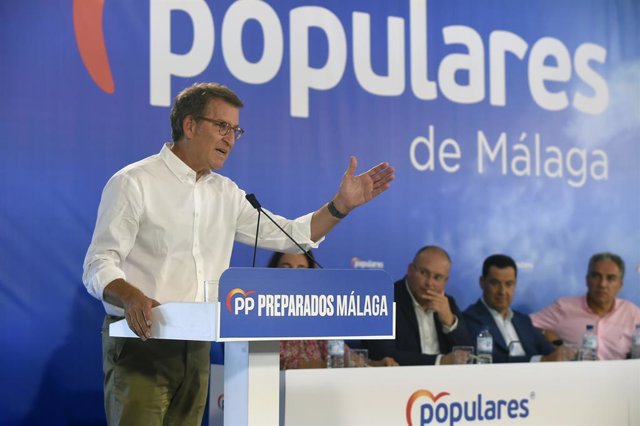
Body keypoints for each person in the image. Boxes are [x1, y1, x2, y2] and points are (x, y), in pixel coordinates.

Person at [82, 82, 395, 425]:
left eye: (235, 130)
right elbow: (99, 263)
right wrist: (130, 296)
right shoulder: (134, 182)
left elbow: (291, 237)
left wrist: (340, 206)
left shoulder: (227, 193)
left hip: (199, 344)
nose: (230, 138)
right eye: (221, 126)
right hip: (143, 342)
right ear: (189, 125)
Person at [268, 251, 398, 369]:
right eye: (285, 268)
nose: (294, 275)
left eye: (301, 270)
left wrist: (377, 365)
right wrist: (331, 365)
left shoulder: (319, 312)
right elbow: (282, 365)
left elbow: (347, 357)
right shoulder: (263, 314)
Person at [365, 246, 472, 365]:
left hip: (445, 381)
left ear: (445, 281)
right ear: (410, 270)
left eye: (437, 277)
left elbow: (469, 355)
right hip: (400, 380)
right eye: (424, 273)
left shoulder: (448, 303)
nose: (429, 283)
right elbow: (381, 354)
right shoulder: (383, 299)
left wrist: (450, 322)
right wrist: (439, 361)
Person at [531, 252, 640, 360]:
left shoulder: (632, 314)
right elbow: (523, 326)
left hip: (620, 376)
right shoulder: (564, 307)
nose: (602, 284)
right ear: (587, 280)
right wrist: (546, 335)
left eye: (610, 278)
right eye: (596, 276)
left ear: (620, 285)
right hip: (575, 376)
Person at [463, 254, 564, 363]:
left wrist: (564, 353)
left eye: (509, 284)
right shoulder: (469, 319)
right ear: (482, 282)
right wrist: (539, 360)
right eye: (495, 283)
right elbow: (486, 361)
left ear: (515, 284)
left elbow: (551, 354)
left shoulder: (524, 321)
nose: (502, 291)